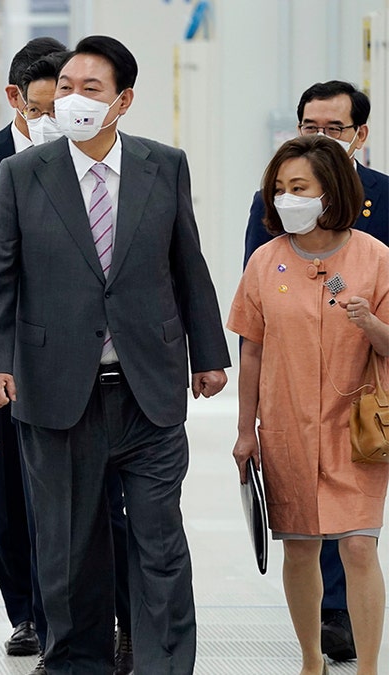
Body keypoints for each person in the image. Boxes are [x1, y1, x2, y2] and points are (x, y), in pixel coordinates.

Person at [0, 35, 230, 674]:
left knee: (159, 544)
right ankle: (76, 664)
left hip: (149, 387)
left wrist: (209, 352)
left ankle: (164, 665)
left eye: (90, 89)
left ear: (123, 101)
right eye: (64, 88)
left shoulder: (163, 165)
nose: (72, 100)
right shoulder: (21, 173)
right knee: (67, 548)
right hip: (57, 391)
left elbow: (187, 264)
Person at [0, 40, 134, 675]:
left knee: (92, 491)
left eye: (71, 100)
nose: (60, 115)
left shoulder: (99, 157)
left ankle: (98, 617)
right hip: (2, 346)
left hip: (76, 351)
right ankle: (27, 610)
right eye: (47, 104)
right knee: (13, 488)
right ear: (16, 98)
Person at [230, 133, 389, 675]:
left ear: (331, 192)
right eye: (279, 188)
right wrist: (244, 429)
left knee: (360, 549)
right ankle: (310, 659)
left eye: (299, 187)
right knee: (299, 548)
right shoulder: (265, 261)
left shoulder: (374, 257)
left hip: (357, 429)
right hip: (285, 426)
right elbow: (250, 350)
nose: (285, 198)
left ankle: (368, 666)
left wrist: (370, 323)